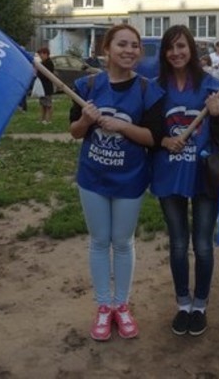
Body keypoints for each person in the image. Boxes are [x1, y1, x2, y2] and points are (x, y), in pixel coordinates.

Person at [68, 25, 165, 341]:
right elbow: (75, 132)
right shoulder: (87, 85)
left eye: (135, 45)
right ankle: (103, 306)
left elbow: (153, 138)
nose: (129, 50)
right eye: (122, 44)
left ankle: (121, 305)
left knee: (123, 242)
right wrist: (86, 120)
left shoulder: (147, 90)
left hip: (131, 179)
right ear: (106, 49)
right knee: (99, 241)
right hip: (93, 178)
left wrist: (121, 126)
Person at [150, 25, 219, 337]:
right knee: (177, 244)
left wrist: (216, 114)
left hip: (203, 176)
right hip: (168, 173)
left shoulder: (213, 87)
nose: (176, 53)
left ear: (192, 49)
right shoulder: (156, 89)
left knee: (202, 245)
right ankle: (183, 303)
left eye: (181, 46)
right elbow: (149, 132)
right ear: (164, 53)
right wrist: (163, 140)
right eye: (170, 48)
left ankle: (200, 305)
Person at [35, 47, 55, 124]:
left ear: (46, 54)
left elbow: (48, 75)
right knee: (42, 104)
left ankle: (48, 120)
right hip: (42, 87)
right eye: (39, 54)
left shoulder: (49, 63)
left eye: (41, 54)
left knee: (48, 105)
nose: (40, 56)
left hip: (47, 87)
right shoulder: (42, 63)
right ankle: (42, 119)